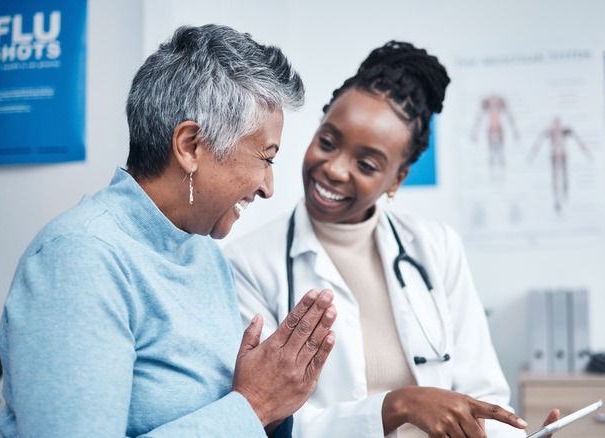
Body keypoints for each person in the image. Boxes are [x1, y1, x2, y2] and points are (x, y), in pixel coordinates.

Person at [0, 24, 338, 437]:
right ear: (191, 146)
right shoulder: (78, 259)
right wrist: (254, 405)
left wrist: (277, 402)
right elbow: (243, 411)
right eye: (265, 158)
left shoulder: (202, 251)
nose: (269, 187)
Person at [224, 41, 559, 437]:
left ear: (396, 179)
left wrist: (516, 434)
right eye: (328, 141)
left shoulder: (436, 247)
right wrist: (396, 406)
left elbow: (481, 393)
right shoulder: (248, 263)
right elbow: (269, 418)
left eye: (366, 164)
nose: (333, 169)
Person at [528, 116, 590, 213]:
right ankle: (557, 200)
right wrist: (532, 155)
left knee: (564, 177)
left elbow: (578, 140)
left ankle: (565, 197)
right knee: (555, 178)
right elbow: (538, 143)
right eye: (555, 124)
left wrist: (586, 153)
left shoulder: (565, 131)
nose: (557, 126)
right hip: (554, 156)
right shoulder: (549, 132)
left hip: (562, 156)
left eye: (558, 124)